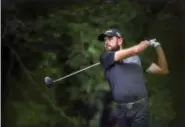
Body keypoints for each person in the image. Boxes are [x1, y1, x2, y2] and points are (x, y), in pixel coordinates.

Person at [97, 28, 169, 127]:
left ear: (120, 40)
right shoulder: (105, 57)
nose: (106, 42)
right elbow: (135, 50)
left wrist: (157, 46)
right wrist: (143, 45)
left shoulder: (137, 59)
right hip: (121, 110)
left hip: (140, 109)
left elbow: (163, 70)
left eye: (110, 38)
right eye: (105, 40)